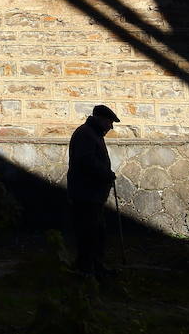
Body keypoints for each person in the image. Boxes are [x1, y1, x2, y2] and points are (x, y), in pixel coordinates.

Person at [67, 104, 119, 276]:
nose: (111, 126)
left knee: (95, 231)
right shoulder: (86, 134)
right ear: (101, 119)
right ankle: (87, 267)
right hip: (86, 193)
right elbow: (86, 161)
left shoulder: (92, 133)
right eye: (110, 122)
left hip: (91, 193)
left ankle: (93, 265)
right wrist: (106, 173)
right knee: (89, 232)